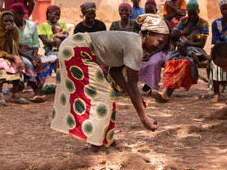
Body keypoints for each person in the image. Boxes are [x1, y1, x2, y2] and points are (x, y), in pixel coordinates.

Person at [51, 15, 170, 153]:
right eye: (159, 42)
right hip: (77, 50)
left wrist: (136, 95)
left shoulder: (134, 41)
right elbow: (132, 85)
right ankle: (95, 147)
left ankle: (106, 140)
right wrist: (144, 118)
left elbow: (115, 71)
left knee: (108, 95)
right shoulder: (135, 46)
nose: (159, 47)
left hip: (75, 47)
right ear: (148, 34)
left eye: (163, 45)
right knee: (104, 97)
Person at [151, 0, 209, 102]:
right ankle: (165, 93)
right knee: (170, 62)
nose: (191, 16)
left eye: (194, 14)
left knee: (185, 63)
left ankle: (166, 93)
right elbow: (176, 37)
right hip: (182, 49)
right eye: (189, 13)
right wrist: (181, 44)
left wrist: (187, 43)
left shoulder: (204, 23)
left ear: (198, 11)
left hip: (197, 51)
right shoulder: (183, 20)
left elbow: (202, 44)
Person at [10, 3, 51, 102]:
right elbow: (14, 46)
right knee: (27, 64)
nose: (12, 17)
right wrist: (30, 58)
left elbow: (36, 43)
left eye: (14, 14)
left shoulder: (32, 25)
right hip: (18, 53)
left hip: (30, 52)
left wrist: (34, 56)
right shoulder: (12, 27)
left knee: (43, 62)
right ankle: (36, 92)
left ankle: (39, 89)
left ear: (21, 14)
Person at [138, 14, 171, 92]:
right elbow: (141, 43)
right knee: (135, 61)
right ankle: (144, 83)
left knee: (154, 62)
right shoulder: (145, 29)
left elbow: (161, 46)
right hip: (146, 50)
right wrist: (144, 52)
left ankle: (153, 86)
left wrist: (150, 53)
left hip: (160, 51)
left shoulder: (163, 28)